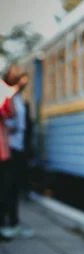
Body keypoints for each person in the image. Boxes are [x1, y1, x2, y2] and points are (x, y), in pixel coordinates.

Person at [1, 65, 33, 239]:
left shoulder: (16, 96)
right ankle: (7, 224)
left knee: (13, 187)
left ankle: (13, 222)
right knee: (7, 186)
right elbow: (8, 118)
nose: (25, 82)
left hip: (16, 146)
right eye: (23, 78)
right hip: (8, 147)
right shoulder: (8, 95)